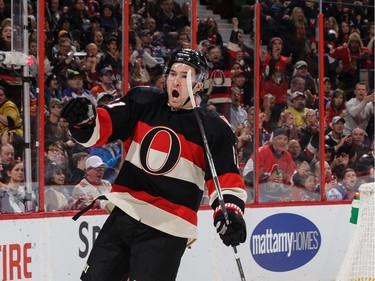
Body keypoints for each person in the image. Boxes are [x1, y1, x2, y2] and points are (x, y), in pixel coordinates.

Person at [61, 49, 247, 280]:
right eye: (172, 74)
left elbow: (226, 180)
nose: (175, 81)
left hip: (169, 226)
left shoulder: (214, 128)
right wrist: (84, 122)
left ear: (198, 84)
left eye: (184, 76)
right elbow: (103, 126)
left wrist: (229, 213)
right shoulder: (143, 102)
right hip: (126, 212)